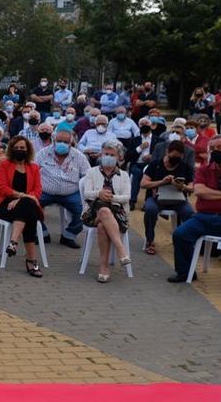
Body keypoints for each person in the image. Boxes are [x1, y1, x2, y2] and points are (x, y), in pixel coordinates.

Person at [169, 136, 221, 293]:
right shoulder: (204, 169)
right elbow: (200, 191)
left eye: (220, 148)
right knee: (180, 234)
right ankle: (185, 272)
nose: (215, 152)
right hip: (204, 218)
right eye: (212, 148)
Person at [80, 140, 132, 282]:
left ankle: (104, 267)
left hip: (117, 214)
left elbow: (127, 197)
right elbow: (87, 193)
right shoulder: (91, 172)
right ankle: (121, 251)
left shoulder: (124, 175)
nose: (108, 156)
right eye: (105, 154)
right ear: (101, 154)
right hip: (92, 213)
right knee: (103, 210)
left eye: (112, 154)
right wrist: (99, 193)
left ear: (119, 157)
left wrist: (112, 197)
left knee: (103, 224)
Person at [0, 136, 45, 277]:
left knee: (27, 206)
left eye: (22, 148)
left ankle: (13, 242)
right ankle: (32, 261)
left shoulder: (34, 167)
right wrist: (21, 196)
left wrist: (20, 199)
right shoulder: (5, 165)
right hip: (6, 204)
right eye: (16, 148)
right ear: (11, 149)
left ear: (28, 150)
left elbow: (37, 191)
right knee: (30, 213)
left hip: (26, 202)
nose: (19, 150)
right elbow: (2, 187)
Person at [36, 129, 90, 248]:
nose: (62, 144)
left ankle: (68, 236)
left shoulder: (79, 156)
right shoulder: (42, 153)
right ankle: (42, 234)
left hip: (70, 193)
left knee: (85, 211)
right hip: (45, 192)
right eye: (59, 141)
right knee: (30, 205)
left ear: (71, 143)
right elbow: (33, 171)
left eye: (65, 142)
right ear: (54, 140)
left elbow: (88, 176)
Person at [140, 141, 195, 255]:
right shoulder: (155, 164)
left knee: (189, 213)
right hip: (156, 198)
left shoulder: (184, 167)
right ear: (167, 152)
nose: (175, 160)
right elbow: (143, 184)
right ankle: (150, 240)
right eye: (173, 157)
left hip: (178, 199)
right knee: (150, 209)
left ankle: (186, 242)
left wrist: (182, 186)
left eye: (178, 158)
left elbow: (192, 187)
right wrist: (161, 182)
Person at [124, 117, 162, 209]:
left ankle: (147, 201)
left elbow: (162, 156)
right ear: (138, 126)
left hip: (151, 165)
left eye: (146, 123)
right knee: (137, 173)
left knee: (150, 174)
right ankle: (132, 200)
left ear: (151, 126)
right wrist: (139, 148)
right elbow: (128, 156)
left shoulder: (159, 140)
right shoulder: (134, 140)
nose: (144, 125)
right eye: (142, 124)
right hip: (137, 164)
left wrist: (152, 157)